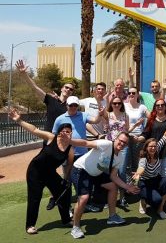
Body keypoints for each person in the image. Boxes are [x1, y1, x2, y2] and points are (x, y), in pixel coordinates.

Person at [15, 60, 76, 211]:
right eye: (66, 87)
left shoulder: (71, 107)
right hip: (49, 141)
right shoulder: (51, 100)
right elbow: (35, 88)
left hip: (64, 143)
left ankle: (58, 195)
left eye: (71, 89)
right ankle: (53, 195)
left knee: (67, 169)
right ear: (62, 88)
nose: (68, 90)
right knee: (48, 168)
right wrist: (24, 75)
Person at [8, 108, 74, 235]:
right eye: (64, 131)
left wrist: (65, 179)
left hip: (50, 173)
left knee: (65, 193)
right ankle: (30, 225)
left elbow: (68, 166)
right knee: (35, 198)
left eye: (69, 132)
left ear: (71, 134)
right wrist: (19, 120)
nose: (66, 133)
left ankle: (66, 219)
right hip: (35, 171)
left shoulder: (70, 149)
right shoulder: (51, 138)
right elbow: (34, 130)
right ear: (59, 132)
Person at [70, 132, 139, 239]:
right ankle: (76, 226)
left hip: (97, 173)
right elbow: (85, 143)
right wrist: (69, 141)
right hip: (81, 170)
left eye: (124, 142)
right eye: (120, 140)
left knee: (113, 186)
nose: (121, 143)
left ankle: (112, 217)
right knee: (84, 198)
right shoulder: (105, 144)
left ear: (126, 145)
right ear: (115, 139)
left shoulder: (119, 157)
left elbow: (113, 176)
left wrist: (128, 187)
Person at [134, 99, 166, 211]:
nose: (160, 107)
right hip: (152, 153)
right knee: (150, 177)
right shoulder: (151, 120)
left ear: (165, 107)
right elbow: (145, 134)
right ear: (155, 107)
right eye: (157, 105)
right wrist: (137, 174)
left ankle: (165, 199)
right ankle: (144, 198)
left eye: (162, 105)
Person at [132, 113, 166, 219]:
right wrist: (138, 174)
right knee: (156, 200)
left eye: (154, 146)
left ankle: (160, 209)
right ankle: (143, 200)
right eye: (150, 146)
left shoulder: (157, 149)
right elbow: (141, 168)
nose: (153, 148)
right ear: (146, 147)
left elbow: (165, 136)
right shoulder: (143, 158)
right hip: (145, 183)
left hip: (156, 180)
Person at [102, 97, 130, 208]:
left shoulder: (125, 115)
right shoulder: (108, 115)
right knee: (107, 172)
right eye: (114, 103)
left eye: (119, 103)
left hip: (122, 146)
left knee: (122, 172)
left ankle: (122, 197)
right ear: (111, 104)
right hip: (110, 145)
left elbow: (127, 131)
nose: (117, 105)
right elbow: (105, 127)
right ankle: (106, 198)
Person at [125, 87, 148, 177]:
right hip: (126, 137)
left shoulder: (142, 107)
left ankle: (136, 183)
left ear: (137, 94)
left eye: (133, 93)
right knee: (127, 162)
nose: (131, 94)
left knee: (137, 162)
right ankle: (127, 185)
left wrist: (145, 130)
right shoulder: (124, 105)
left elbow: (151, 118)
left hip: (138, 138)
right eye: (129, 93)